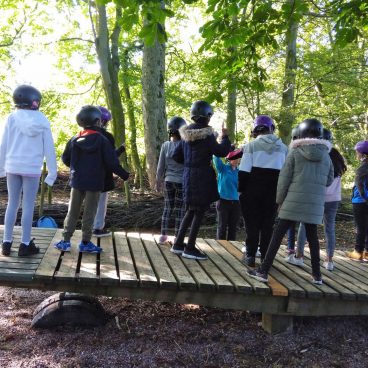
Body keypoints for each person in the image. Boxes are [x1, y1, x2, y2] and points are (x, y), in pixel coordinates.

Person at [248, 118, 334, 285]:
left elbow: (284, 179)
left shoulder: (295, 152)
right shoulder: (326, 156)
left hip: (293, 200)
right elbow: (329, 180)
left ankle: (263, 271)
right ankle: (317, 276)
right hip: (314, 203)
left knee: (277, 236)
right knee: (313, 239)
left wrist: (279, 200)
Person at [54, 106, 129, 253]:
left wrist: (77, 167)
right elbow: (111, 162)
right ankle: (85, 242)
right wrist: (124, 174)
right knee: (90, 212)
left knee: (72, 211)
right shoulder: (102, 140)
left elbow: (65, 159)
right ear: (97, 121)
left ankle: (65, 241)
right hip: (94, 183)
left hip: (77, 181)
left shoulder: (74, 139)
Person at [0, 85, 57, 257]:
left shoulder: (11, 118)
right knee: (27, 206)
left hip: (13, 167)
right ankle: (25, 245)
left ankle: (6, 243)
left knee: (12, 204)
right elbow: (49, 148)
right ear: (35, 101)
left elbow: (3, 144)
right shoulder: (42, 120)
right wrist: (52, 173)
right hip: (31, 168)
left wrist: (1, 168)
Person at [171, 100, 231, 260]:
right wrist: (225, 137)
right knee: (199, 211)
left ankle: (178, 244)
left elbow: (176, 155)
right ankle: (189, 248)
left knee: (190, 209)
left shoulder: (184, 134)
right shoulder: (208, 134)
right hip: (202, 176)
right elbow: (221, 152)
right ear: (208, 116)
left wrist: (190, 163)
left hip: (188, 176)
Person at [288, 128, 347, 271]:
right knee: (329, 228)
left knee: (304, 224)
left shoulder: (320, 155)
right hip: (334, 199)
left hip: (317, 196)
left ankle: (299, 256)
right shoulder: (338, 156)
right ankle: (329, 260)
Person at [238, 115, 288, 267]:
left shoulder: (250, 146)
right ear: (271, 128)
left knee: (251, 225)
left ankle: (250, 256)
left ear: (255, 130)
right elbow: (286, 175)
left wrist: (240, 191)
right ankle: (266, 258)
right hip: (273, 193)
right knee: (268, 225)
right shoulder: (285, 148)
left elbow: (244, 172)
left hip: (252, 192)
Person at [92, 106, 126, 237]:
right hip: (103, 177)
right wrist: (124, 174)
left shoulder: (82, 135)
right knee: (101, 204)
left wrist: (120, 150)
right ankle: (98, 228)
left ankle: (88, 229)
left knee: (89, 204)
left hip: (87, 177)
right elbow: (110, 160)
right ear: (103, 121)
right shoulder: (107, 137)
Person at [155, 116, 186, 244]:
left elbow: (160, 166)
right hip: (182, 182)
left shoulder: (165, 145)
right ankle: (178, 236)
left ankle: (163, 235)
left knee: (168, 208)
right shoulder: (185, 145)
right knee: (180, 210)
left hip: (168, 181)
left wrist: (158, 181)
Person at [213, 147, 243, 240]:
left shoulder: (240, 172)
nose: (235, 160)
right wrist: (221, 147)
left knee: (233, 228)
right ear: (229, 159)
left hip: (236, 203)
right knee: (222, 226)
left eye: (237, 158)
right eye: (233, 158)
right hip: (222, 201)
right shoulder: (223, 168)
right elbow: (216, 157)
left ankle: (232, 247)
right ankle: (220, 247)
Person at [345, 140, 368, 261]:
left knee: (360, 228)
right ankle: (367, 253)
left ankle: (358, 252)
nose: (356, 154)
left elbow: (360, 187)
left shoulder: (362, 169)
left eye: (357, 152)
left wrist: (364, 198)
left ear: (363, 154)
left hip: (360, 202)